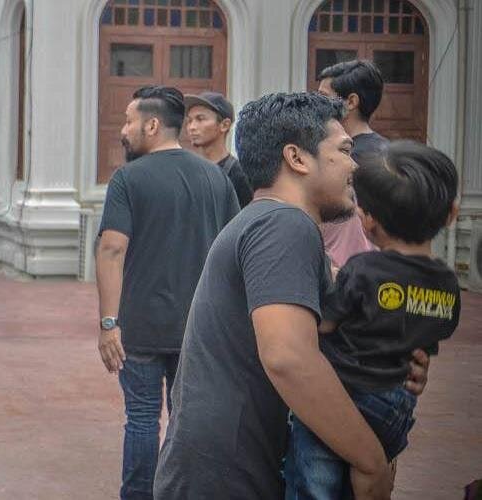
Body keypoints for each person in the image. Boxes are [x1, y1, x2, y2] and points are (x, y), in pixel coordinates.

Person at [154, 92, 431, 499]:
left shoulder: (267, 223)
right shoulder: (284, 226)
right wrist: (370, 460)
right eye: (344, 150)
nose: (355, 166)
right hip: (230, 479)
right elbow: (289, 356)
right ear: (297, 158)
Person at [283, 142, 461, 498]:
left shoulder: (363, 271)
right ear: (451, 214)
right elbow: (440, 329)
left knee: (314, 483)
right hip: (397, 402)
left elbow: (325, 323)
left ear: (366, 219)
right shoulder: (448, 284)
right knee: (366, 478)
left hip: (344, 394)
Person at [95, 85, 240, 500]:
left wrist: (108, 323)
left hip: (139, 328)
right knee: (184, 420)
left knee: (141, 419)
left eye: (128, 121)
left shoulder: (128, 178)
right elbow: (233, 249)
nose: (123, 129)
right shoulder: (216, 177)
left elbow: (111, 248)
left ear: (152, 125)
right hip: (200, 327)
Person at [315, 60, 387, 268]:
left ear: (351, 102)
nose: (316, 105)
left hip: (341, 272)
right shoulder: (390, 154)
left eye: (324, 98)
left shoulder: (337, 158)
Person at [184, 91, 254, 207]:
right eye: (189, 121)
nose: (192, 127)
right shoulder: (187, 172)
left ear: (224, 125)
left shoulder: (239, 175)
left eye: (200, 119)